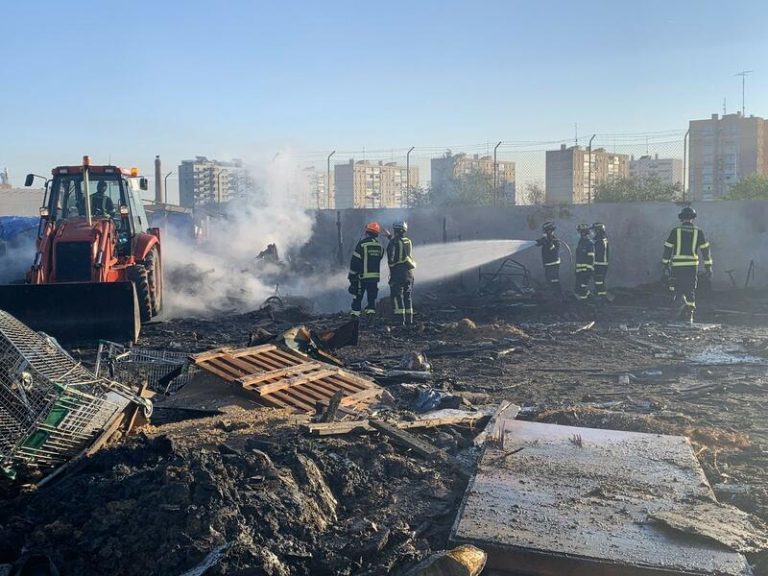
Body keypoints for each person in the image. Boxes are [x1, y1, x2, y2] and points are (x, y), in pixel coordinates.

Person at [661, 206, 712, 323]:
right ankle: (689, 315)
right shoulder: (698, 232)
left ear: (681, 218)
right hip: (691, 266)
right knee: (690, 290)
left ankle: (675, 313)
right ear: (693, 218)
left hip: (677, 266)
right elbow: (705, 250)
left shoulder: (675, 231)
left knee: (676, 288)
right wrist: (708, 267)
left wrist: (664, 265)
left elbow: (668, 248)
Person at [348, 222, 384, 320]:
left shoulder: (362, 245)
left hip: (362, 277)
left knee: (358, 296)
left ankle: (355, 316)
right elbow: (379, 258)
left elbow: (355, 261)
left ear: (367, 232)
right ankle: (370, 316)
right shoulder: (380, 246)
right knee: (371, 297)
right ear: (377, 233)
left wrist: (351, 276)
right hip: (375, 278)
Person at [387, 221, 417, 326]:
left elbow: (390, 260)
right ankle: (410, 321)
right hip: (409, 273)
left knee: (397, 296)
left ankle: (400, 321)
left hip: (398, 273)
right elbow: (401, 245)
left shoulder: (393, 243)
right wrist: (390, 237)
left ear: (395, 230)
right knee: (408, 296)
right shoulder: (408, 241)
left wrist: (392, 271)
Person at [535, 221, 561, 297]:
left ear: (550, 231)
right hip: (547, 264)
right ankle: (554, 296)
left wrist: (548, 242)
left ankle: (558, 296)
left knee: (554, 281)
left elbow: (553, 251)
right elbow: (538, 243)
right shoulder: (545, 239)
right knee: (549, 281)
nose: (545, 232)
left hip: (553, 264)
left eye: (546, 231)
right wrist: (537, 242)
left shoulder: (555, 240)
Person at [574, 223, 594, 301]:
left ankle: (584, 304)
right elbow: (579, 258)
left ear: (584, 232)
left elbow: (591, 258)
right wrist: (577, 270)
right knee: (578, 289)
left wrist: (588, 271)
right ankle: (587, 300)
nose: (579, 234)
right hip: (580, 271)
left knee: (582, 288)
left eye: (580, 232)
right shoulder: (581, 242)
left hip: (586, 272)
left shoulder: (589, 243)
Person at [591, 222, 609, 300]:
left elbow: (597, 252)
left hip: (600, 264)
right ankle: (600, 294)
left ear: (598, 231)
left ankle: (601, 297)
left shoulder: (600, 240)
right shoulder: (602, 238)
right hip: (601, 263)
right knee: (599, 281)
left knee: (599, 281)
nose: (593, 232)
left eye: (595, 230)